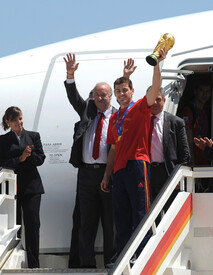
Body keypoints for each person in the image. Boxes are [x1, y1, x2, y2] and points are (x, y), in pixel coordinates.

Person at [63, 53, 136, 268]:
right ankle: (86, 266)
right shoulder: (86, 111)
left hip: (110, 173)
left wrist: (125, 77)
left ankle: (111, 264)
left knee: (110, 222)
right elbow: (73, 97)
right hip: (86, 174)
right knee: (86, 223)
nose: (100, 98)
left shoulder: (118, 115)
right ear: (93, 97)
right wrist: (70, 75)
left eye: (104, 95)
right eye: (97, 95)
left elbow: (131, 104)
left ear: (111, 96)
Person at [101, 48, 167, 258]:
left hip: (138, 165)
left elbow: (156, 87)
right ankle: (123, 259)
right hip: (119, 170)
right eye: (118, 90)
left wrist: (157, 64)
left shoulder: (140, 107)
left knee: (140, 214)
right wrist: (106, 174)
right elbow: (113, 147)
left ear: (132, 91)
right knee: (121, 218)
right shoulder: (113, 118)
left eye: (125, 90)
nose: (121, 93)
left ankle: (143, 257)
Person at [0, 106, 45, 268]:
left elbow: (41, 159)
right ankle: (13, 260)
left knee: (32, 224)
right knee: (14, 225)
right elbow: (2, 163)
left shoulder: (33, 136)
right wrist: (20, 159)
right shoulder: (3, 140)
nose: (19, 122)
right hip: (11, 190)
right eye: (14, 120)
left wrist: (29, 155)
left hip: (32, 187)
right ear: (8, 122)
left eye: (20, 118)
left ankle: (34, 265)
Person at [149, 87, 190, 216]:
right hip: (146, 173)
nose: (155, 103)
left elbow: (185, 154)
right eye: (152, 99)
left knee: (169, 214)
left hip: (167, 173)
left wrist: (179, 177)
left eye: (158, 99)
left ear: (164, 100)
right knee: (148, 215)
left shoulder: (176, 122)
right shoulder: (141, 122)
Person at [180, 77, 211, 191]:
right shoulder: (188, 111)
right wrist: (192, 166)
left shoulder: (205, 112)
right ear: (195, 92)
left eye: (208, 92)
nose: (205, 95)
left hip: (205, 162)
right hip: (194, 164)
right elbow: (188, 141)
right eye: (202, 91)